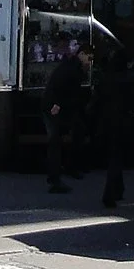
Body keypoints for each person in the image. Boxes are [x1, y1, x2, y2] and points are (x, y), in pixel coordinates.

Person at [44, 37, 91, 193]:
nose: (90, 62)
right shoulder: (73, 69)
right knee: (56, 140)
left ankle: (63, 171)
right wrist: (57, 104)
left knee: (64, 136)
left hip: (58, 106)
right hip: (57, 106)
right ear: (82, 54)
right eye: (89, 58)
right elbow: (63, 88)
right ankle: (57, 176)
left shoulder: (71, 66)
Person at [94, 41, 134, 210]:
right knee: (117, 158)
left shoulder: (106, 76)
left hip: (105, 120)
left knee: (113, 157)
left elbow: (97, 98)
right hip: (122, 121)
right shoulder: (130, 78)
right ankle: (111, 193)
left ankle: (118, 188)